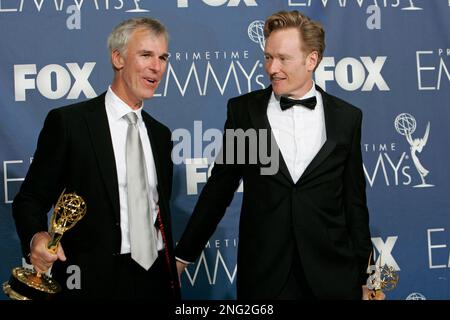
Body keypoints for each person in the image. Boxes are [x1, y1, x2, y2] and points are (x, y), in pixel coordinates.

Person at [175, 10, 378, 300]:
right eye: (268, 57)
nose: (272, 68)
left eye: (283, 58)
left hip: (333, 275)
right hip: (266, 277)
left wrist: (367, 276)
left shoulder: (346, 118)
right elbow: (220, 190)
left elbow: (354, 203)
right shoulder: (247, 113)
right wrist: (183, 257)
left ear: (312, 60)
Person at [12, 17, 180, 299]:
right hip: (91, 281)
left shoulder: (160, 135)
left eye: (163, 57)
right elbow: (30, 200)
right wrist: (37, 237)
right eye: (146, 55)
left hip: (155, 279)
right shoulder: (70, 124)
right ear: (118, 58)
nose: (157, 66)